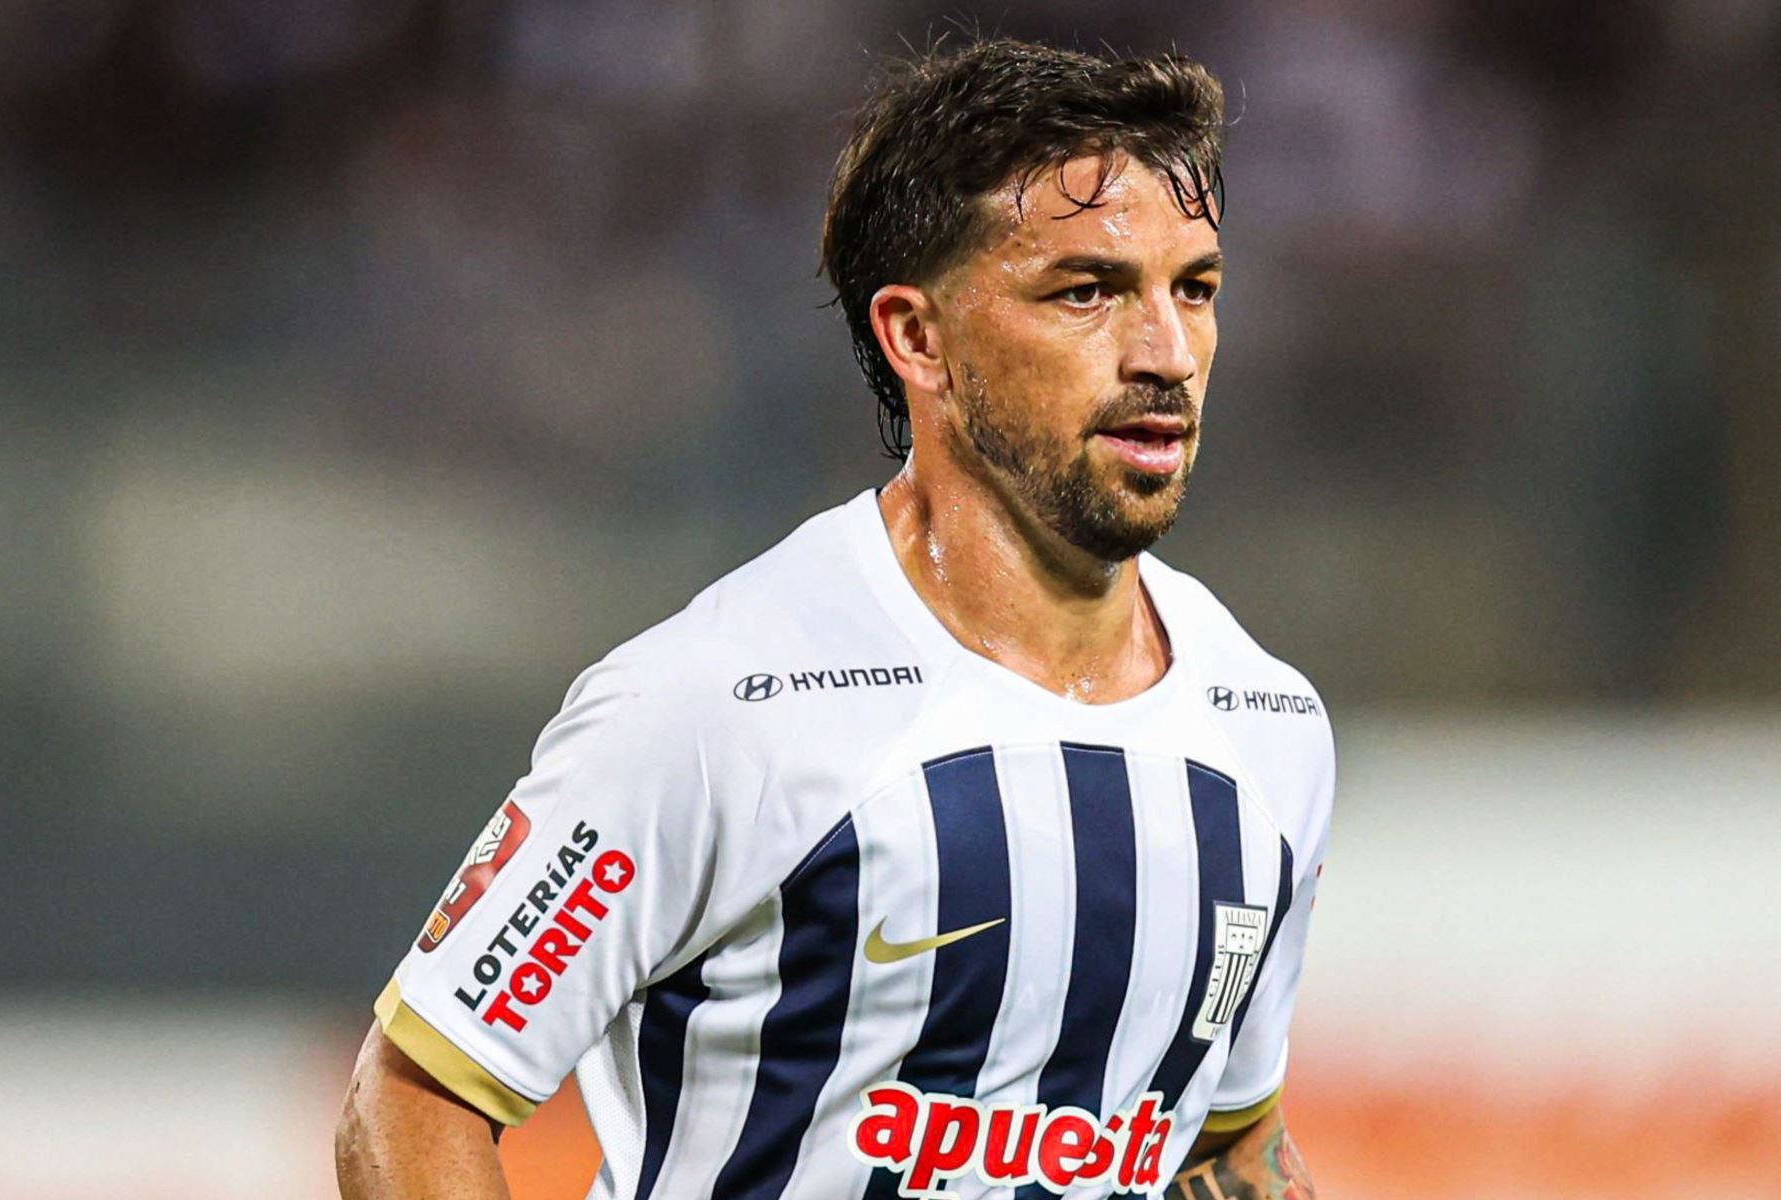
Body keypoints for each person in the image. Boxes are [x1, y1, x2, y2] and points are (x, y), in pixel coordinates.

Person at [336, 37, 1333, 1200]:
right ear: (918, 338)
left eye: (1195, 288)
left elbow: (1223, 1144)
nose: (1167, 352)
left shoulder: (1267, 727)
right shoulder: (719, 703)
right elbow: (413, 1102)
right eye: (1087, 291)